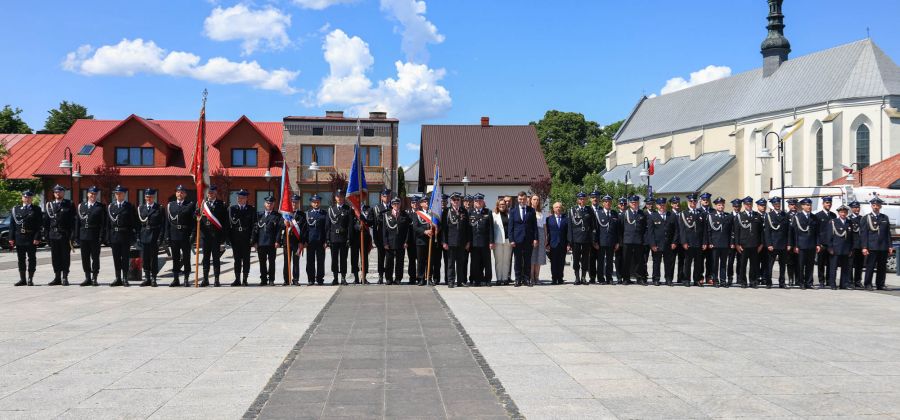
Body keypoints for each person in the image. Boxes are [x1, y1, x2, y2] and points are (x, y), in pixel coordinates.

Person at [44, 185, 76, 286]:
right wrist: (46, 236)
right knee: (55, 257)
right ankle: (57, 277)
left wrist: (72, 235)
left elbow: (73, 221)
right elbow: (46, 223)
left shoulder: (69, 204)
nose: (58, 193)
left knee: (65, 257)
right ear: (54, 193)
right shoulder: (49, 205)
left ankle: (65, 277)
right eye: (56, 192)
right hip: (53, 234)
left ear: (63, 193)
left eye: (60, 192)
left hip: (64, 234)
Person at [164, 185, 196, 287]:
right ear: (175, 193)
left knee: (186, 257)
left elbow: (193, 222)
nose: (179, 194)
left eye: (182, 192)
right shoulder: (170, 205)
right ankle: (176, 279)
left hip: (185, 235)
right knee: (175, 258)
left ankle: (186, 279)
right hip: (174, 235)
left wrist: (193, 235)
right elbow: (167, 222)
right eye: (178, 192)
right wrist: (167, 236)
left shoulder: (190, 205)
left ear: (185, 194)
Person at [10, 190, 42, 287]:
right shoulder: (16, 209)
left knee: (32, 258)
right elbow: (12, 225)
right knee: (21, 259)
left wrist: (37, 237)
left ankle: (30, 279)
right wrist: (11, 238)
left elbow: (39, 225)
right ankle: (22, 279)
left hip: (31, 237)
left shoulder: (36, 209)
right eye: (25, 197)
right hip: (19, 237)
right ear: (22, 198)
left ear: (31, 198)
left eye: (29, 197)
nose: (27, 199)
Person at [861, 197, 894, 291]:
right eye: (874, 205)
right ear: (871, 206)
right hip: (871, 247)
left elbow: (888, 233)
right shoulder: (866, 218)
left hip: (883, 246)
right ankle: (868, 284)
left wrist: (890, 246)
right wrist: (864, 247)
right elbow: (864, 234)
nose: (876, 207)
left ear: (880, 206)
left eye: (878, 205)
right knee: (870, 266)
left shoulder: (884, 217)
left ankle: (880, 284)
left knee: (882, 267)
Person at [199, 185, 229, 287]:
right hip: (205, 236)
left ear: (215, 193)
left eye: (212, 193)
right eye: (208, 193)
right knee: (205, 258)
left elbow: (225, 223)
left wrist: (223, 239)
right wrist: (195, 215)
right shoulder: (202, 204)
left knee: (216, 259)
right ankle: (205, 279)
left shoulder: (221, 205)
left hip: (216, 236)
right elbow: (197, 219)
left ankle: (216, 279)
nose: (210, 194)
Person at [108, 185, 137, 287]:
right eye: (116, 193)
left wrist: (133, 237)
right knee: (116, 258)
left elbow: (134, 222)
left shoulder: (129, 206)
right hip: (114, 235)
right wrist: (108, 237)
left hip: (125, 235)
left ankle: (125, 277)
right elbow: (108, 224)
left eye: (120, 193)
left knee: (125, 258)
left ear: (124, 194)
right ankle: (117, 278)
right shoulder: (111, 206)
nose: (118, 195)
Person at [76, 186, 106, 287]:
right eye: (91, 194)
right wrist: (77, 236)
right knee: (85, 258)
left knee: (95, 257)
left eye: (94, 194)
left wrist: (102, 236)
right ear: (87, 194)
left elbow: (103, 223)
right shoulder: (81, 206)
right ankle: (87, 277)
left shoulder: (100, 207)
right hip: (83, 235)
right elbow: (78, 222)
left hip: (95, 235)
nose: (93, 195)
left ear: (96, 195)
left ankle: (94, 278)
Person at [441, 192, 470, 288]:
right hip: (451, 241)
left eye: (458, 200)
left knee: (461, 263)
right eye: (454, 200)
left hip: (462, 242)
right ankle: (451, 281)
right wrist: (444, 241)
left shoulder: (464, 211)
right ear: (451, 201)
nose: (456, 201)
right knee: (450, 263)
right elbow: (444, 228)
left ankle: (460, 281)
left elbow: (467, 228)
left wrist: (468, 241)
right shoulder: (446, 211)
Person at [509, 191, 538, 287]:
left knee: (527, 260)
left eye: (524, 199)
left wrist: (535, 239)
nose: (522, 201)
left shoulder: (531, 210)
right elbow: (511, 227)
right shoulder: (513, 210)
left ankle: (527, 279)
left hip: (528, 239)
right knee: (517, 260)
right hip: (517, 240)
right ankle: (518, 279)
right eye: (520, 199)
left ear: (527, 199)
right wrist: (511, 239)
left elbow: (535, 226)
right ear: (517, 199)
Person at [228, 190, 256, 286]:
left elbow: (254, 225)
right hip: (235, 238)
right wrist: (229, 239)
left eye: (243, 198)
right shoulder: (232, 209)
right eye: (239, 198)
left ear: (246, 199)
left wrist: (252, 239)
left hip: (246, 238)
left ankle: (245, 279)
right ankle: (237, 279)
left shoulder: (251, 209)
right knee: (237, 260)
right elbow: (229, 225)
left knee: (246, 259)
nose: (240, 200)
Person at [734, 197, 763, 288]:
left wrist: (761, 244)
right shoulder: (740, 216)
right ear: (744, 205)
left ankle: (753, 281)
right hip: (743, 245)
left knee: (754, 265)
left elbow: (761, 231)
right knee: (743, 264)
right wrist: (737, 244)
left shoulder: (757, 215)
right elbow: (736, 231)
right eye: (747, 204)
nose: (749, 205)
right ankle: (743, 281)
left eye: (750, 204)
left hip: (755, 244)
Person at [137, 188, 164, 287]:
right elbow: (138, 224)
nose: (149, 198)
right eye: (147, 196)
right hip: (144, 235)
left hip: (154, 236)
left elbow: (162, 224)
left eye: (151, 196)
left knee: (153, 258)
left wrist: (160, 238)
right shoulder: (141, 208)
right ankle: (147, 278)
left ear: (154, 197)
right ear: (145, 197)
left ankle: (153, 278)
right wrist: (138, 237)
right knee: (145, 258)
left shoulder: (159, 208)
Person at [678, 194, 706, 287]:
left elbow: (704, 230)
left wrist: (704, 242)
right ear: (688, 202)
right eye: (691, 201)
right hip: (688, 242)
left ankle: (697, 279)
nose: (693, 203)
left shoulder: (700, 213)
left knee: (698, 263)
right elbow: (682, 230)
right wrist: (684, 242)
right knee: (688, 262)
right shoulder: (684, 213)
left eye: (694, 201)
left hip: (698, 242)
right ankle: (686, 279)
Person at [792, 198, 819, 289]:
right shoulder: (797, 217)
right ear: (802, 206)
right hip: (801, 244)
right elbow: (795, 232)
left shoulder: (814, 217)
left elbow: (816, 233)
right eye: (807, 205)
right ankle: (801, 282)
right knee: (800, 265)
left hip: (811, 244)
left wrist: (818, 244)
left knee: (810, 265)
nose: (809, 207)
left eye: (810, 205)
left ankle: (809, 282)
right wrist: (795, 245)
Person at [326, 190, 352, 285]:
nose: (340, 198)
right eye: (338, 196)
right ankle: (335, 277)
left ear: (344, 198)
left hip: (344, 238)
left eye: (341, 196)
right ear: (335, 198)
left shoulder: (347, 209)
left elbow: (350, 225)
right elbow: (328, 226)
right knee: (334, 259)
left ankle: (343, 278)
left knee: (343, 259)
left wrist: (349, 238)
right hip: (334, 238)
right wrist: (327, 239)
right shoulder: (331, 210)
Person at [764, 197, 791, 289]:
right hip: (773, 244)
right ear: (773, 205)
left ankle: (782, 282)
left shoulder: (785, 215)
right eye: (775, 204)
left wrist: (789, 244)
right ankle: (768, 282)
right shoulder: (769, 215)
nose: (777, 205)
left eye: (778, 204)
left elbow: (788, 231)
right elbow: (767, 231)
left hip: (783, 244)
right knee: (770, 265)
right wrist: (769, 244)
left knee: (783, 265)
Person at [253, 196, 280, 286]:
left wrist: (277, 241)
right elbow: (255, 229)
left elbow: (278, 230)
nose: (269, 205)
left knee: (271, 262)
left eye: (271, 203)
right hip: (261, 242)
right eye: (268, 203)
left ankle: (271, 279)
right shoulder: (259, 215)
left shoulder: (277, 216)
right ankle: (263, 279)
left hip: (272, 243)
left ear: (273, 205)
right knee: (262, 262)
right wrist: (255, 242)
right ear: (265, 204)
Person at [705, 197, 732, 288]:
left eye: (722, 205)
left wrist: (731, 242)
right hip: (715, 244)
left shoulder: (728, 216)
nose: (721, 206)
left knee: (724, 264)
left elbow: (731, 231)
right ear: (716, 206)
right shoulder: (711, 216)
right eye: (719, 205)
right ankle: (715, 280)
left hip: (725, 244)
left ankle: (723, 281)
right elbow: (708, 231)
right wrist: (710, 242)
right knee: (715, 264)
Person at [568, 192, 594, 285]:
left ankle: (583, 277)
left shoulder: (589, 210)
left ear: (586, 200)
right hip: (576, 238)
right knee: (576, 259)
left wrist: (592, 239)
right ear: (578, 200)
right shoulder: (572, 210)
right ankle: (577, 277)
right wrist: (570, 241)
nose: (582, 200)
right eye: (580, 199)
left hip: (586, 238)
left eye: (584, 199)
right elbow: (570, 226)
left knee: (585, 259)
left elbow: (592, 225)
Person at [413, 196, 440, 286]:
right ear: (421, 204)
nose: (426, 203)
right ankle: (420, 278)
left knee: (430, 260)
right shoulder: (417, 213)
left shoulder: (432, 214)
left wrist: (434, 231)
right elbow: (415, 227)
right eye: (424, 202)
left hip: (430, 240)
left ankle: (429, 277)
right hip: (421, 241)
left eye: (427, 201)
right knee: (420, 261)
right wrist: (424, 231)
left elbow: (436, 225)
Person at [282, 194, 308, 286]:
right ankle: (286, 279)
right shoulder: (285, 214)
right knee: (286, 261)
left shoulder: (302, 215)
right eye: (293, 202)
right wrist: (284, 223)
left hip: (297, 242)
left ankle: (295, 279)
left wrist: (302, 242)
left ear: (298, 203)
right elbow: (280, 227)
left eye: (296, 202)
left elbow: (304, 230)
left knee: (296, 262)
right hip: (287, 242)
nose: (294, 204)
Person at [468, 194, 494, 287]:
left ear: (483, 202)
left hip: (485, 242)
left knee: (487, 262)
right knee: (475, 262)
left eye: (480, 201)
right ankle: (476, 280)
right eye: (476, 201)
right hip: (474, 242)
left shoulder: (488, 212)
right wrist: (468, 242)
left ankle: (488, 280)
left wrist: (491, 241)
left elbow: (491, 228)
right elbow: (468, 229)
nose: (478, 203)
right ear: (474, 203)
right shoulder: (470, 212)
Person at [382, 197, 409, 285]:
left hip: (401, 242)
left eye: (397, 204)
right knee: (389, 262)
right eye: (394, 204)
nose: (396, 205)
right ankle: (388, 279)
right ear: (392, 205)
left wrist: (406, 241)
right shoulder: (387, 215)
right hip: (390, 242)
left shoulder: (404, 215)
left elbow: (407, 230)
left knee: (399, 262)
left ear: (400, 204)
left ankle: (398, 279)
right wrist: (385, 243)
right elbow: (384, 230)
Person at [825, 205, 853, 290]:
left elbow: (851, 237)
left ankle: (843, 284)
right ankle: (832, 284)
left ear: (847, 213)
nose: (843, 214)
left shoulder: (849, 222)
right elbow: (829, 236)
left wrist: (851, 249)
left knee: (845, 268)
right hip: (835, 248)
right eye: (841, 212)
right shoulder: (833, 222)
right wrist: (830, 248)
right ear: (839, 213)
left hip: (846, 249)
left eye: (845, 212)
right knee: (833, 268)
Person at [645, 197, 671, 286]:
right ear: (657, 206)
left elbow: (675, 231)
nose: (662, 206)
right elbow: (650, 232)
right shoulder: (653, 216)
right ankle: (656, 279)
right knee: (656, 262)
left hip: (668, 244)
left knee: (668, 262)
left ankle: (668, 279)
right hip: (657, 244)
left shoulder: (670, 215)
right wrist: (652, 244)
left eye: (663, 205)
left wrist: (674, 242)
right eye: (660, 205)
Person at [622, 195, 648, 285]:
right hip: (627, 240)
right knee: (626, 260)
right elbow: (621, 228)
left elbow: (645, 228)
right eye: (632, 202)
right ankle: (626, 278)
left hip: (638, 240)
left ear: (638, 203)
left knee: (639, 260)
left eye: (636, 202)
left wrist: (643, 240)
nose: (634, 204)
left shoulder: (642, 213)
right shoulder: (625, 213)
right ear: (629, 203)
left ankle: (639, 278)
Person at [595, 195, 618, 285]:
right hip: (601, 241)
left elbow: (617, 230)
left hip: (611, 241)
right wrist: (595, 241)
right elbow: (596, 229)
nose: (608, 203)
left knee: (609, 261)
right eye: (606, 202)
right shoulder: (599, 213)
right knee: (600, 261)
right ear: (603, 203)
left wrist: (617, 242)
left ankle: (609, 278)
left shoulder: (614, 213)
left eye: (609, 202)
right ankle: (601, 278)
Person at [305, 195, 328, 285]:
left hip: (321, 241)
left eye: (317, 202)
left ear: (320, 203)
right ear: (311, 203)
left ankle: (320, 279)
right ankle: (310, 279)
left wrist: (326, 241)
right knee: (310, 261)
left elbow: (326, 229)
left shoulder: (324, 214)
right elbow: (305, 229)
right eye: (314, 202)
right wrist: (305, 241)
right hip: (310, 242)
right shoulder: (307, 214)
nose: (316, 203)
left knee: (320, 261)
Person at [350, 202, 375, 284]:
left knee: (364, 258)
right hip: (354, 238)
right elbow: (349, 223)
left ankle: (364, 277)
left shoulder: (368, 209)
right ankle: (356, 278)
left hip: (365, 237)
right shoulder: (351, 209)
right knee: (354, 258)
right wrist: (356, 227)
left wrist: (364, 219)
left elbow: (371, 222)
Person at [815, 196, 836, 288]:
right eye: (827, 203)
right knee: (821, 264)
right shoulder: (818, 216)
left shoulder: (833, 215)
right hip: (822, 244)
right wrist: (818, 244)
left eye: (830, 203)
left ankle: (829, 280)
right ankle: (821, 281)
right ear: (823, 204)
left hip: (831, 244)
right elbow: (816, 231)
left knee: (830, 264)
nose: (829, 204)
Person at [546, 201, 568, 285]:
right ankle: (554, 278)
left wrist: (569, 244)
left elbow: (567, 232)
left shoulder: (566, 219)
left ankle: (560, 278)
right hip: (553, 244)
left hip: (563, 243)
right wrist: (547, 244)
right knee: (554, 262)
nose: (558, 208)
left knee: (562, 262)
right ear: (553, 209)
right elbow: (547, 232)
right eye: (556, 207)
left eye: (559, 207)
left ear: (561, 208)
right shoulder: (549, 219)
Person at [491, 198, 513, 286]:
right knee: (499, 261)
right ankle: (499, 279)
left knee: (507, 260)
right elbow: (491, 229)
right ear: (497, 205)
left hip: (508, 240)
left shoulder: (509, 214)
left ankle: (505, 278)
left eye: (503, 204)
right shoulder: (494, 215)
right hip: (498, 241)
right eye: (500, 204)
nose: (502, 206)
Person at [373, 189, 391, 284]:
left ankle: (388, 277)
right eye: (384, 196)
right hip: (380, 238)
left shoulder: (393, 207)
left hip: (390, 238)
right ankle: (380, 276)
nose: (386, 198)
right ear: (381, 197)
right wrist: (375, 239)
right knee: (381, 258)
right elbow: (375, 225)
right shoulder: (377, 208)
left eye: (388, 196)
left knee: (389, 259)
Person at [667, 197, 685, 285]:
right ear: (671, 205)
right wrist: (673, 242)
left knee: (682, 260)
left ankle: (680, 278)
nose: (677, 204)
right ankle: (669, 278)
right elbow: (669, 230)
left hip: (682, 242)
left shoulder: (683, 214)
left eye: (678, 203)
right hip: (672, 242)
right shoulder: (669, 214)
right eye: (674, 203)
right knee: (671, 261)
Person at [847, 201, 865, 289]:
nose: (857, 209)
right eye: (854, 208)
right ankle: (850, 282)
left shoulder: (863, 219)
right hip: (852, 245)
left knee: (859, 265)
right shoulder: (848, 219)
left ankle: (858, 281)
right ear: (851, 209)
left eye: (858, 207)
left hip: (861, 245)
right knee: (850, 264)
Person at [530, 194, 547, 283]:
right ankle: (531, 277)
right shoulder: (528, 211)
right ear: (531, 200)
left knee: (539, 256)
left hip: (541, 234)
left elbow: (544, 226)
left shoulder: (541, 213)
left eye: (537, 199)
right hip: (532, 234)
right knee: (532, 256)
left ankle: (537, 277)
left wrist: (546, 237)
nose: (536, 201)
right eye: (534, 199)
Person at [726, 198, 742, 285]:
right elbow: (728, 231)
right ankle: (730, 277)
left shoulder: (742, 216)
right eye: (735, 206)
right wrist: (731, 242)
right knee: (731, 261)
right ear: (733, 207)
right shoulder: (729, 216)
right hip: (732, 243)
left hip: (740, 243)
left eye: (738, 206)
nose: (737, 208)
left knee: (740, 261)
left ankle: (739, 277)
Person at [785, 198, 800, 286]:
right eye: (791, 205)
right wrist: (788, 243)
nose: (793, 206)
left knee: (798, 262)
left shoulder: (800, 215)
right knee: (790, 262)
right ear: (788, 206)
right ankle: (790, 279)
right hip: (789, 243)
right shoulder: (786, 216)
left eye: (794, 204)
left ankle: (798, 280)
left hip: (799, 242)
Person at [405, 196, 419, 284]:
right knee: (412, 261)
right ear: (411, 204)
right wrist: (406, 241)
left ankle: (421, 277)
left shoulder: (422, 213)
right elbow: (406, 229)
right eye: (413, 203)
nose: (415, 204)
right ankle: (412, 278)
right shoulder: (408, 214)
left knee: (421, 261)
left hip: (420, 241)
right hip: (411, 242)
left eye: (417, 203)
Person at [614, 197, 627, 282]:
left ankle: (625, 276)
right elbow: (615, 230)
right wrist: (617, 242)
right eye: (621, 204)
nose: (623, 205)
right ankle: (619, 277)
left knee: (626, 259)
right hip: (619, 240)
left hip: (627, 240)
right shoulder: (615, 214)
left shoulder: (629, 213)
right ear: (618, 205)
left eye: (624, 204)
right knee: (618, 259)